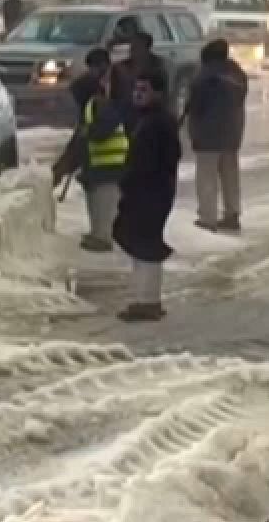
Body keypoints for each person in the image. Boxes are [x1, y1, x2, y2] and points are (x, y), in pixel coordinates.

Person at [113, 72, 181, 322]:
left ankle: (148, 302)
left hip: (151, 193)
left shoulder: (158, 123)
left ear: (158, 94)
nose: (138, 94)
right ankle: (144, 299)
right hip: (146, 192)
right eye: (136, 89)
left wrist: (131, 181)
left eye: (144, 89)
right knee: (139, 243)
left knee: (146, 246)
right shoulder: (147, 120)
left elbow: (151, 162)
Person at [51, 48, 129, 254]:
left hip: (110, 164)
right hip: (98, 164)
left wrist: (88, 133)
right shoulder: (92, 105)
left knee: (105, 201)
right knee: (97, 199)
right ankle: (98, 234)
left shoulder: (104, 102)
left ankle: (102, 237)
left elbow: (101, 130)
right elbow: (79, 140)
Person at [183, 38, 249, 233]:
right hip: (232, 132)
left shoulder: (203, 77)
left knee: (207, 176)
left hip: (208, 134)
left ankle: (207, 217)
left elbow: (195, 106)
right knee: (230, 174)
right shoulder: (237, 74)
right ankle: (232, 213)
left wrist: (192, 129)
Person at [108, 29, 166, 122]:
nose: (132, 48)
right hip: (125, 112)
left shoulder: (158, 66)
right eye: (132, 45)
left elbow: (163, 92)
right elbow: (113, 93)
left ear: (147, 48)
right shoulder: (119, 67)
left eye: (137, 45)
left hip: (149, 113)